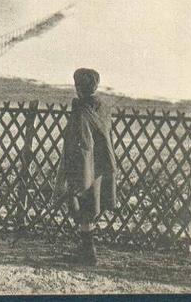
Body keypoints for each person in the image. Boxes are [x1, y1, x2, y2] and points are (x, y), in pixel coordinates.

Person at [53, 68, 117, 265]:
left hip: (83, 165)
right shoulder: (102, 107)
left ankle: (88, 253)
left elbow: (77, 140)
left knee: (82, 208)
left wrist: (69, 171)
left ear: (78, 87)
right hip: (99, 164)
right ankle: (86, 251)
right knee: (90, 207)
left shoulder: (81, 110)